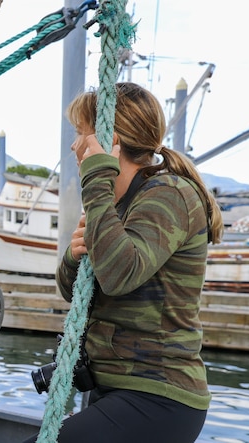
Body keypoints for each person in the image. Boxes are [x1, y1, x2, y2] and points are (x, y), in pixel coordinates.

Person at [31, 82, 223, 443]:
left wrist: (96, 180)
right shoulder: (118, 205)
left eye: (80, 134)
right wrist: (73, 259)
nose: (74, 146)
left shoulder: (170, 194)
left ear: (109, 140)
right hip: (116, 390)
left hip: (159, 396)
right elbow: (74, 292)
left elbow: (120, 275)